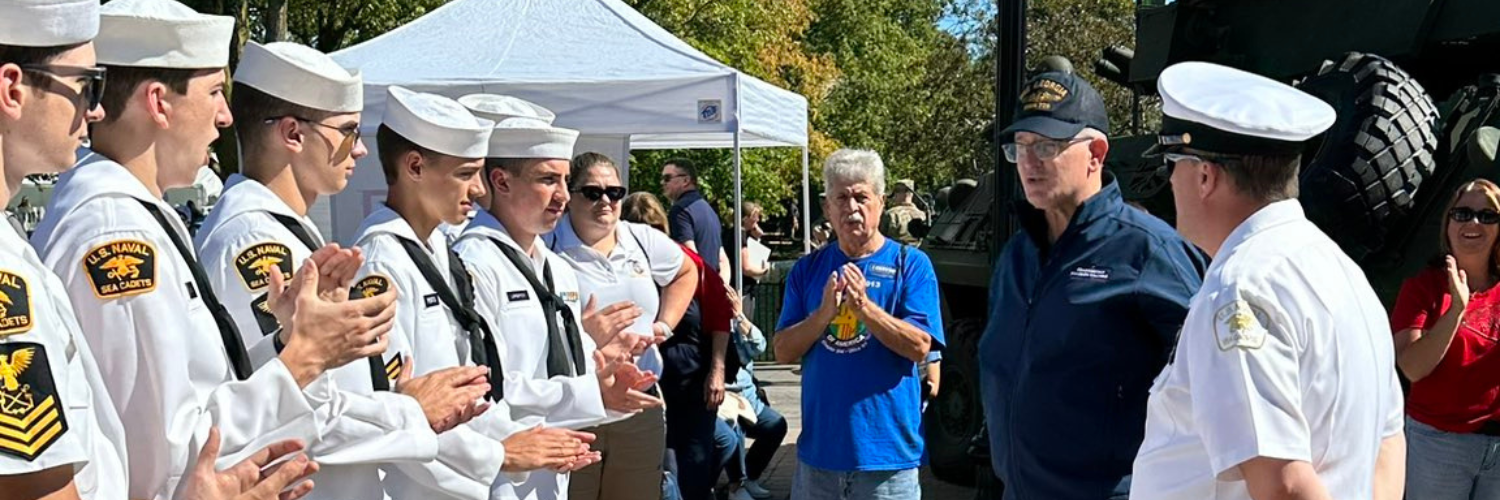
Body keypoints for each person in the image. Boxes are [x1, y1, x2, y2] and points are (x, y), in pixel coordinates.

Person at [30, 1, 403, 498]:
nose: (226, 117)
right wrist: (304, 359)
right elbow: (164, 464)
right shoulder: (117, 236)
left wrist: (284, 345)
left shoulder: (141, 219)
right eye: (213, 94)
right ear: (159, 102)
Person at [195, 42, 495, 500]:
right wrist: (409, 410)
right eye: (347, 131)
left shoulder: (287, 234)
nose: (358, 151)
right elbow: (280, 407)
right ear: (293, 134)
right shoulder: (255, 244)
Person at [1130, 62, 1405, 500]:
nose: (1170, 181)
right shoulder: (1343, 272)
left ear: (1204, 176)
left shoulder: (1241, 289)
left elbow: (1285, 487)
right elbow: (1387, 444)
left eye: (1172, 164)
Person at [350, 86, 602, 500]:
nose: (480, 191)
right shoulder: (382, 261)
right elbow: (397, 406)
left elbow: (478, 384)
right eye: (466, 174)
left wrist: (517, 444)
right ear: (414, 166)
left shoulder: (439, 257)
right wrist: (498, 454)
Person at [977, 71, 1205, 500]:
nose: (1029, 162)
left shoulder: (1148, 252)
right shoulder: (1016, 257)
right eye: (1020, 147)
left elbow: (1212, 392)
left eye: (1046, 146)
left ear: (1096, 154)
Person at [452, 94, 663, 500]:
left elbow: (554, 365)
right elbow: (482, 385)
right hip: (499, 475)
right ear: (500, 181)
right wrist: (589, 393)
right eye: (548, 180)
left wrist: (601, 361)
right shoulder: (473, 263)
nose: (564, 196)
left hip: (552, 471)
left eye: (565, 181)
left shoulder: (553, 266)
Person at [772, 149, 943, 500]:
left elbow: (919, 346)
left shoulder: (910, 264)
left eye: (862, 196)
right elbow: (783, 352)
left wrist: (865, 309)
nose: (852, 207)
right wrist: (822, 315)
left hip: (886, 463)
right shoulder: (808, 270)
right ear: (827, 207)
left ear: (880, 202)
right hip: (819, 460)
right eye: (842, 197)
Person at [547, 153, 697, 500]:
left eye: (615, 193)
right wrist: (583, 337)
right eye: (592, 192)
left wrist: (664, 326)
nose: (606, 201)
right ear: (570, 195)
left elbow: (687, 271)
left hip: (638, 404)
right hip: (577, 405)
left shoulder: (640, 239)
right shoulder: (548, 246)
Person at [618, 191, 734, 500]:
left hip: (692, 383)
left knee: (696, 466)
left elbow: (721, 315)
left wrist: (717, 371)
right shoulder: (617, 268)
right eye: (639, 227)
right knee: (660, 474)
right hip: (641, 387)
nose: (648, 235)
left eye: (655, 227)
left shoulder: (687, 262)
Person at [1390, 179, 1500, 499]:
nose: (1474, 222)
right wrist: (1456, 312)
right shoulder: (1422, 289)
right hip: (1440, 444)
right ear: (1448, 223)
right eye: (1462, 213)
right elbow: (1411, 367)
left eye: (1488, 215)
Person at [720, 287, 784, 500]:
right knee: (733, 426)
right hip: (724, 399)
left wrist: (739, 316)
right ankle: (735, 486)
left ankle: (750, 478)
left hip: (749, 400)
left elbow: (760, 345)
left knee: (776, 425)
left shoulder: (737, 325)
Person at [661, 158, 730, 280]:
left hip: (693, 293)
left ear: (686, 180)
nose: (663, 183)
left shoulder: (680, 210)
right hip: (710, 290)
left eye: (667, 178)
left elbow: (690, 258)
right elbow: (723, 261)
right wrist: (719, 289)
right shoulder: (710, 211)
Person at [725, 201, 769, 321]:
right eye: (755, 217)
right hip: (742, 291)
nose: (758, 220)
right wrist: (763, 271)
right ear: (745, 218)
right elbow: (746, 268)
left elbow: (760, 235)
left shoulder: (730, 232)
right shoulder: (741, 235)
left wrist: (757, 232)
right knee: (743, 326)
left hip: (732, 287)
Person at [879, 179, 926, 246]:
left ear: (897, 192)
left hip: (895, 254)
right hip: (918, 253)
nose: (894, 197)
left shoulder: (891, 214)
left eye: (895, 192)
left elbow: (880, 239)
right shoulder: (922, 215)